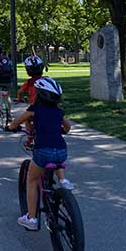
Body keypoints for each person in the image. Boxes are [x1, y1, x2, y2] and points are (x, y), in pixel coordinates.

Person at [5, 76, 74, 231]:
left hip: (43, 151)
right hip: (62, 151)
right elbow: (68, 128)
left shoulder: (34, 110)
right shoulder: (59, 112)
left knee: (32, 179)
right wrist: (61, 130)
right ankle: (63, 181)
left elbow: (17, 121)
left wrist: (10, 126)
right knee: (55, 157)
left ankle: (32, 218)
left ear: (39, 95)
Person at [16, 55, 45, 150]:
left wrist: (19, 98)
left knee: (27, 120)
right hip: (48, 107)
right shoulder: (46, 80)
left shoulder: (29, 82)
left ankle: (29, 139)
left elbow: (20, 92)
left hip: (35, 108)